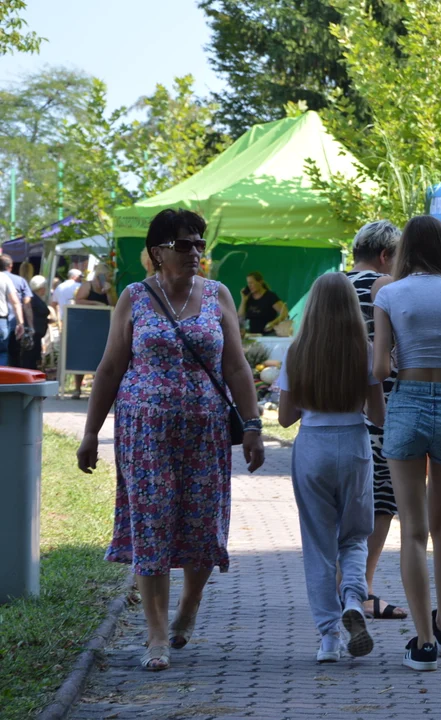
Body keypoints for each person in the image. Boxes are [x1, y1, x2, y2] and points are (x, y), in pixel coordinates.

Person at [76, 208, 265, 672]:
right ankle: (156, 632)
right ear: (157, 251)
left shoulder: (218, 295)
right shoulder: (135, 297)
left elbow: (237, 367)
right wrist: (89, 433)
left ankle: (190, 604)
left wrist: (254, 424)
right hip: (145, 433)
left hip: (206, 432)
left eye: (200, 244)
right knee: (152, 522)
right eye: (185, 244)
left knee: (202, 523)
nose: (195, 252)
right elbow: (110, 368)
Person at [371, 215, 441, 671]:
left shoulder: (389, 294)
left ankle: (422, 643)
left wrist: (400, 355)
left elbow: (380, 370)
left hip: (408, 403)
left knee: (413, 531)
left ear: (405, 250)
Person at [277, 273, 386, 663]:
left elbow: (285, 418)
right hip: (354, 444)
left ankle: (328, 638)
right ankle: (354, 598)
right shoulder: (366, 350)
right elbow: (378, 415)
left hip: (313, 447)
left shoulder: (297, 352)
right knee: (354, 536)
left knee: (318, 545)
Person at [345, 220, 408, 621]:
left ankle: (340, 588)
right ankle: (361, 589)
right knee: (380, 502)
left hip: (332, 411)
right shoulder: (385, 287)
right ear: (386, 256)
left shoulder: (327, 286)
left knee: (343, 506)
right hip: (379, 408)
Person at [70, 264, 119, 398]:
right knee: (81, 356)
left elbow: (114, 305)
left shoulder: (109, 287)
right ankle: (77, 388)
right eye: (104, 275)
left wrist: (109, 291)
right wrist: (96, 304)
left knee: (100, 357)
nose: (106, 278)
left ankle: (97, 389)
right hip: (85, 326)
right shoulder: (87, 285)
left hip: (103, 328)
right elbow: (78, 300)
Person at [1, 255, 32, 366]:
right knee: (6, 353)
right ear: (10, 266)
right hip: (7, 322)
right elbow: (21, 303)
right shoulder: (15, 280)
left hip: (5, 322)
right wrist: (22, 323)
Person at [24, 275, 55, 370]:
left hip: (37, 331)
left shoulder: (35, 298)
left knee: (34, 356)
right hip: (34, 332)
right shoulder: (33, 299)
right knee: (31, 357)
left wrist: (47, 320)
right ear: (41, 288)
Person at [0, 268, 25, 366]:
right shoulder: (3, 277)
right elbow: (15, 302)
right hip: (1, 321)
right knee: (2, 353)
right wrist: (20, 323)